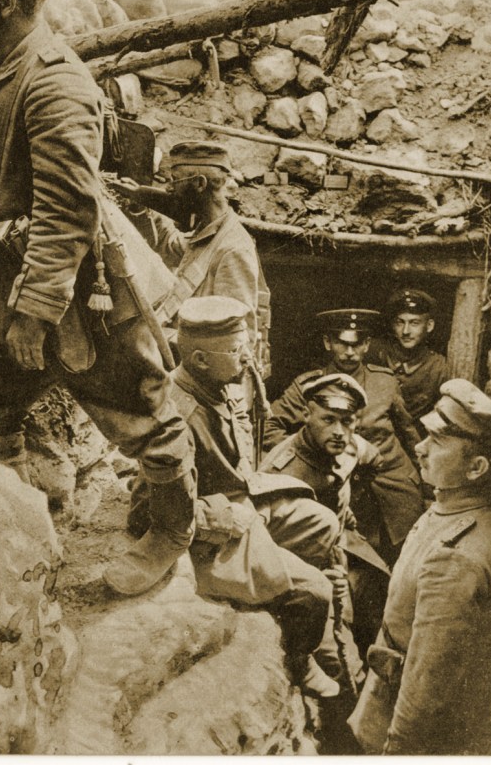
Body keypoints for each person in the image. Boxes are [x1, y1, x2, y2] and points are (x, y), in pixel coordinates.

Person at [0, 0, 196, 595]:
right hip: (20, 281)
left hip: (81, 296)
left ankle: (172, 532)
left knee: (142, 420)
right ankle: (19, 537)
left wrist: (34, 313)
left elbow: (67, 211)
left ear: (6, 0)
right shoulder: (9, 67)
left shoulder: (55, 83)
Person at [125, 296, 346, 700]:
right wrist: (224, 517)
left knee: (322, 524)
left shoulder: (216, 383)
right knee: (316, 590)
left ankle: (272, 580)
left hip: (241, 501)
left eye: (246, 345)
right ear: (200, 360)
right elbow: (144, 513)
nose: (247, 357)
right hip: (209, 535)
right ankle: (298, 654)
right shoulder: (177, 417)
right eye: (236, 349)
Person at [348, 379, 491, 755]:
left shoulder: (454, 560)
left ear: (476, 467)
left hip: (407, 710)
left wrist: (397, 749)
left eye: (437, 441)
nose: (419, 447)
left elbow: (425, 682)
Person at [263, 309, 424, 565]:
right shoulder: (307, 386)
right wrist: (311, 457)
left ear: (367, 345)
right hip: (341, 488)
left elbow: (409, 433)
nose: (350, 352)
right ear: (328, 343)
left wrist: (426, 482)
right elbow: (271, 425)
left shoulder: (384, 381)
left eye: (357, 344)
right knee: (355, 560)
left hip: (393, 484)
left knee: (405, 558)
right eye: (342, 343)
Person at [260, 373, 393, 659]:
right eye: (328, 419)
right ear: (307, 415)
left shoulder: (349, 445)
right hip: (303, 567)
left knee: (381, 587)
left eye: (347, 421)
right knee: (333, 645)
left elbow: (372, 459)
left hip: (342, 542)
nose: (339, 431)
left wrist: (351, 511)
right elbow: (268, 547)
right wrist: (319, 575)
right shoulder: (281, 472)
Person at [150, 141, 271, 377]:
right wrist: (143, 206)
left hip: (205, 381)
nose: (169, 188)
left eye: (175, 180)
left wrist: (164, 336)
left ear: (199, 184)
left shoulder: (233, 248)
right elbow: (174, 247)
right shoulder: (210, 230)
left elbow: (233, 342)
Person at [368, 287, 449, 438]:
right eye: (400, 322)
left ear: (429, 326)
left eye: (414, 323)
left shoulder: (438, 367)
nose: (406, 331)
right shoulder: (375, 353)